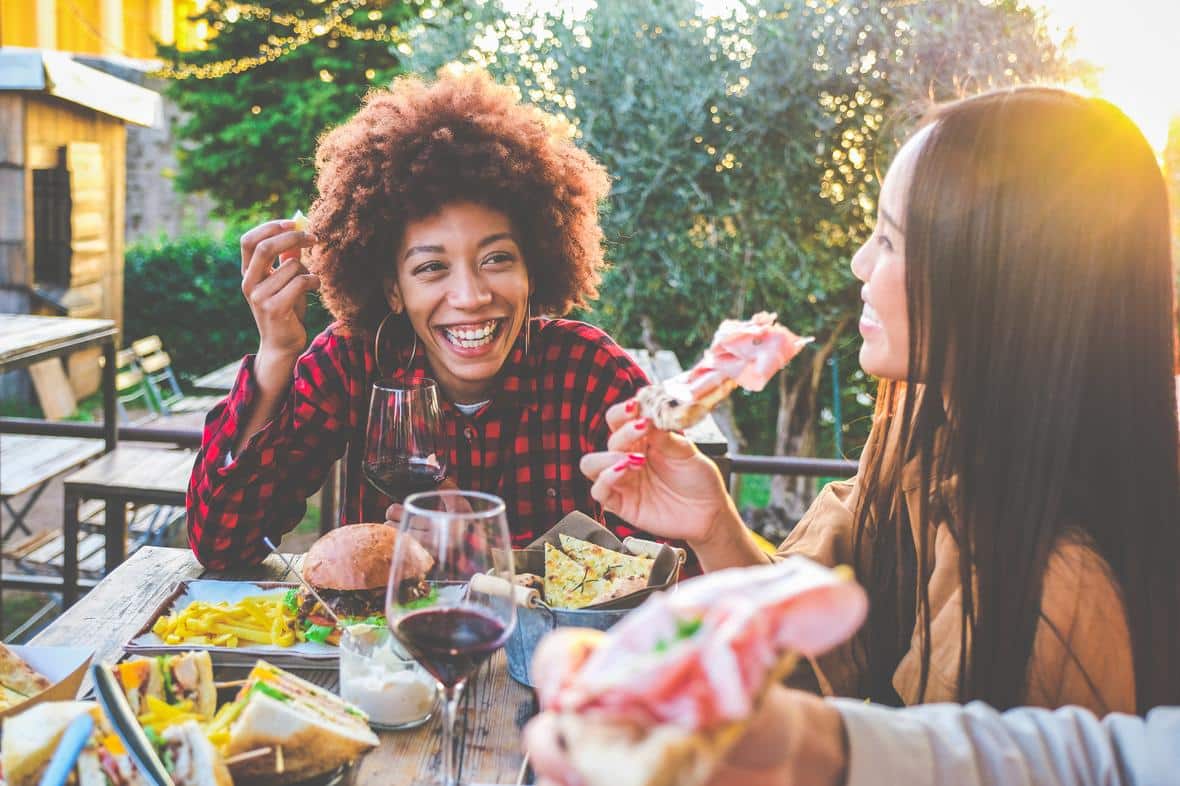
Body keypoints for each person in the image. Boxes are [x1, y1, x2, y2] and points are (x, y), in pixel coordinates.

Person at [578, 88, 1180, 714]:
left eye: (891, 241)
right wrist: (715, 524)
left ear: (998, 285)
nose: (860, 262)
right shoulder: (919, 434)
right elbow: (810, 653)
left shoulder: (1066, 595)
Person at [187, 68, 649, 570]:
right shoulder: (351, 361)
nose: (470, 297)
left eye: (496, 259)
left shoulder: (593, 372)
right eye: (431, 267)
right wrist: (276, 353)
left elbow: (666, 569)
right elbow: (222, 546)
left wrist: (485, 557)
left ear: (533, 270)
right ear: (393, 289)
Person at [524, 679, 1180, 786]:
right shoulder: (894, 465)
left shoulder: (1069, 571)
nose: (859, 290)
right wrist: (812, 742)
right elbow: (1105, 764)